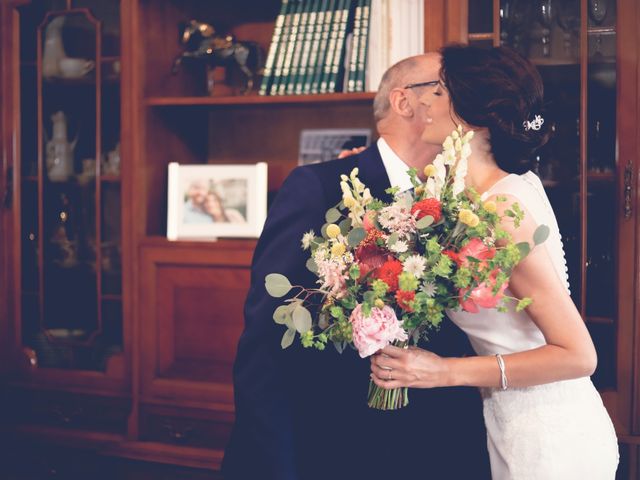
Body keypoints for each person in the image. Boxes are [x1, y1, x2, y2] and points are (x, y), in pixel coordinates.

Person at [222, 53, 491, 480]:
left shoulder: (469, 199)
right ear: (406, 103)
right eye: (448, 84)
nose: (468, 96)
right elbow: (266, 347)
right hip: (338, 448)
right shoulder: (318, 187)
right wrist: (273, 464)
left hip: (444, 445)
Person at [370, 45, 619, 479]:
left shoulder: (502, 210)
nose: (424, 101)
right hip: (510, 423)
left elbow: (579, 355)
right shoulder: (473, 200)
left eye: (441, 92)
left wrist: (443, 372)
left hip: (552, 438)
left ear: (474, 116)